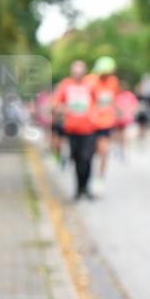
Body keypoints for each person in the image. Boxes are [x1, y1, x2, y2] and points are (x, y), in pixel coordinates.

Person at [53, 60, 97, 200]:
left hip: (89, 129)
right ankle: (78, 189)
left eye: (80, 71)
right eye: (75, 71)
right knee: (77, 160)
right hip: (72, 129)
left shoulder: (91, 85)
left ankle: (86, 187)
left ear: (84, 72)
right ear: (72, 72)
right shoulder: (65, 85)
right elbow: (55, 104)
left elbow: (99, 104)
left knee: (87, 158)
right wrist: (62, 108)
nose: (78, 74)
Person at [85, 56, 120, 191]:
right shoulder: (90, 81)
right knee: (88, 154)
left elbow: (113, 100)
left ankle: (100, 179)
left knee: (104, 151)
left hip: (105, 123)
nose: (106, 75)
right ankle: (87, 178)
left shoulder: (113, 82)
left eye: (109, 73)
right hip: (90, 123)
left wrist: (117, 112)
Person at [113, 80, 139, 161]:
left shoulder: (129, 95)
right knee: (117, 135)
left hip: (126, 119)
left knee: (124, 136)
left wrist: (130, 112)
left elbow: (135, 105)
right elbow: (114, 105)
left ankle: (122, 150)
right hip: (118, 119)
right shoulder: (117, 95)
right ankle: (117, 147)